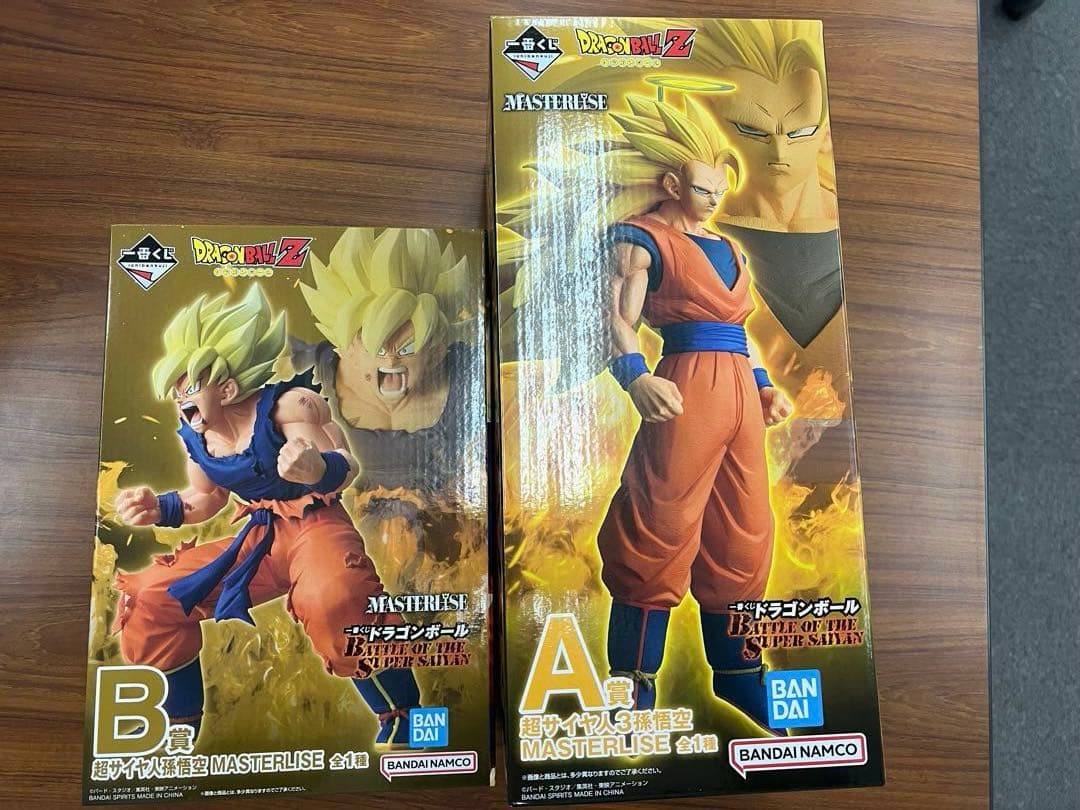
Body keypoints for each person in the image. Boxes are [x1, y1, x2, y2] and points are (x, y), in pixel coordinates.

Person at [112, 285, 421, 747]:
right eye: (177, 391)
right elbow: (205, 499)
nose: (181, 400)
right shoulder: (198, 437)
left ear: (228, 387)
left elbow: (344, 465)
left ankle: (403, 713)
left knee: (335, 597)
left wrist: (315, 467)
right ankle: (178, 723)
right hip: (261, 539)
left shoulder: (288, 408)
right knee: (151, 597)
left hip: (317, 525)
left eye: (189, 388)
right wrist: (159, 507)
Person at [596, 94, 793, 732]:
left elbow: (739, 330)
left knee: (745, 529)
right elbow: (614, 319)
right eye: (703, 189)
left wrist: (763, 385)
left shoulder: (728, 248)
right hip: (684, 385)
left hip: (737, 389)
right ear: (672, 184)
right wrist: (635, 377)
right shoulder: (643, 239)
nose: (713, 200)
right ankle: (632, 679)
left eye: (719, 189)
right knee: (659, 521)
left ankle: (739, 674)